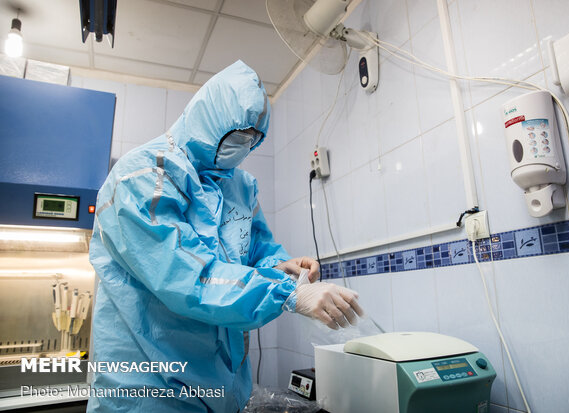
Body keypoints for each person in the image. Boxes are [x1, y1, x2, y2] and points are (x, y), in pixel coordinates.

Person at [87, 60, 363, 412]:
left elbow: (255, 250)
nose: (244, 148)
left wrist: (282, 266)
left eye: (253, 140)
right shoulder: (143, 177)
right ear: (207, 120)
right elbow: (187, 277)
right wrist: (288, 292)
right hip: (150, 390)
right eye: (238, 136)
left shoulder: (240, 186)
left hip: (223, 388)